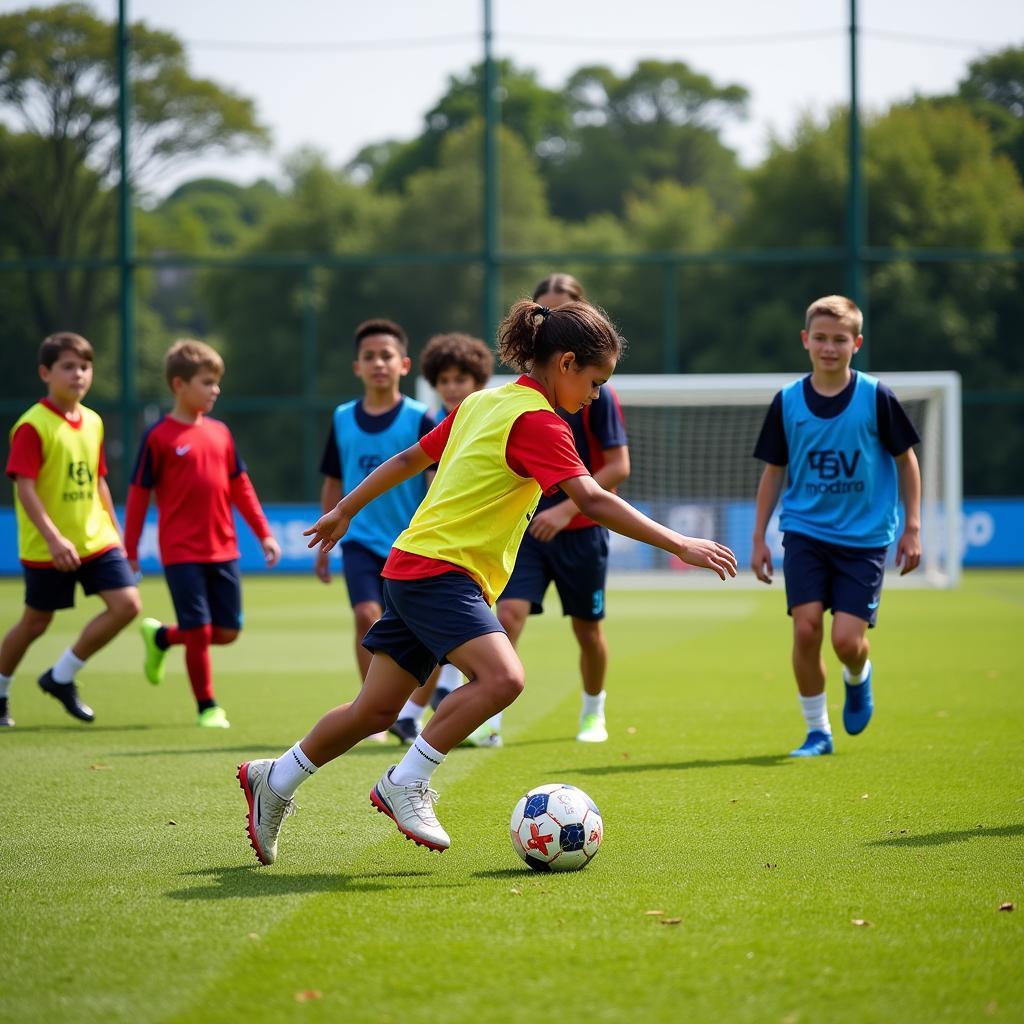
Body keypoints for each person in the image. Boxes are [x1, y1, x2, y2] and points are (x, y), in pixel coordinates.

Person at [237, 298, 737, 866]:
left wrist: (345, 510)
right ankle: (408, 780)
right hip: (440, 573)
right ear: (566, 363)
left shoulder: (484, 401)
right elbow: (593, 499)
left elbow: (407, 459)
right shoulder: (540, 423)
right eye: (595, 383)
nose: (595, 397)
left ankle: (273, 779)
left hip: (412, 565)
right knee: (503, 678)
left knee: (374, 712)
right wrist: (680, 544)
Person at [750, 295, 922, 757]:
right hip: (805, 531)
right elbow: (774, 472)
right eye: (821, 338)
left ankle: (858, 675)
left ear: (856, 343)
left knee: (848, 641)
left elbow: (907, 462)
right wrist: (759, 537)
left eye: (840, 339)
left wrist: (913, 528)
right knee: (806, 629)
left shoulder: (876, 396)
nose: (829, 347)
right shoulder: (787, 401)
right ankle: (817, 732)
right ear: (806, 340)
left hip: (864, 539)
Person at [497, 273, 629, 744]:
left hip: (579, 532)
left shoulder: (595, 391)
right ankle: (487, 715)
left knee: (588, 630)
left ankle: (594, 711)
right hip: (530, 532)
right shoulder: (516, 402)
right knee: (507, 616)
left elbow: (615, 467)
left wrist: (565, 512)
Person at [125, 339, 281, 729]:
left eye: (217, 382)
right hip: (180, 552)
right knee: (198, 630)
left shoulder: (221, 433)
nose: (216, 389)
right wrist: (128, 551)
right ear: (179, 385)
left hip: (223, 549)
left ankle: (161, 638)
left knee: (226, 632)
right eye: (207, 382)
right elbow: (138, 495)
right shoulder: (158, 437)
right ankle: (207, 706)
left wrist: (264, 533)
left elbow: (241, 487)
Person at [0, 332, 141, 727]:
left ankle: (60, 676)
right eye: (67, 367)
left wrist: (118, 535)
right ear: (46, 373)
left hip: (96, 539)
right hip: (50, 546)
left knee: (127, 605)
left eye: (84, 366)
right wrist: (53, 537)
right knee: (35, 623)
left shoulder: (93, 421)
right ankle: (0, 691)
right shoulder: (33, 425)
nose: (78, 374)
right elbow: (24, 487)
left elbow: (98, 482)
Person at [315, 319, 437, 744]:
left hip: (411, 544)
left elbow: (436, 478)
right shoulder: (342, 417)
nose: (378, 363)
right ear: (357, 367)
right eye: (369, 356)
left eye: (386, 355)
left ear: (403, 364)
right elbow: (333, 479)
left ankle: (405, 711)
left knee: (421, 630)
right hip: (361, 542)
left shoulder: (422, 417)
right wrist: (324, 540)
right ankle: (371, 711)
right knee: (366, 617)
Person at [393, 330, 495, 737]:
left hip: (471, 547)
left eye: (461, 380)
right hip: (436, 548)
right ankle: (421, 709)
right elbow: (419, 470)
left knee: (457, 636)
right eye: (445, 381)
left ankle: (420, 708)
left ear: (478, 382)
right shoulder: (438, 424)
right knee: (456, 639)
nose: (452, 388)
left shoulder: (484, 417)